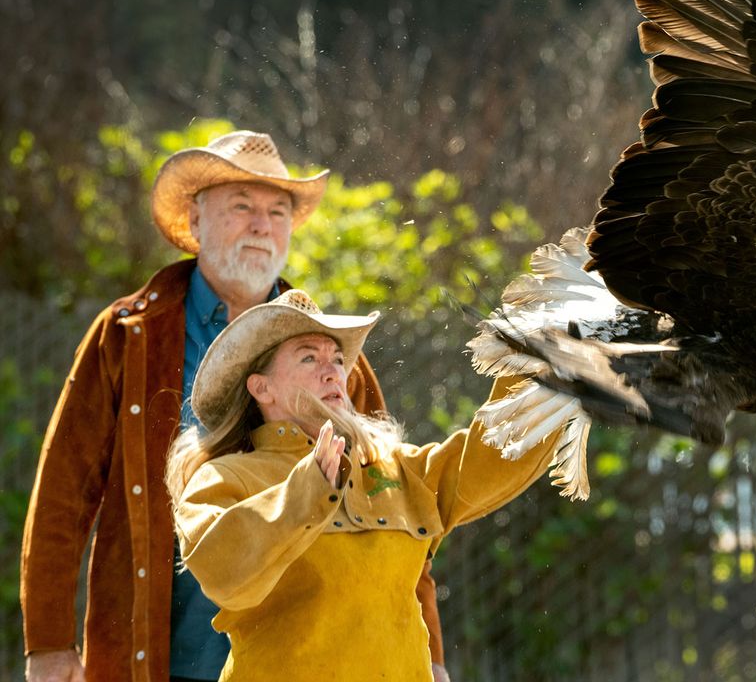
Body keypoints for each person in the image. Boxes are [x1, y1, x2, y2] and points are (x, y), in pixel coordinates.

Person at [21, 131, 448, 681]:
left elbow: (396, 503)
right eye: (241, 207)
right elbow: (62, 494)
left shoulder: (336, 358)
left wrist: (431, 653)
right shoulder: (127, 336)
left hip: (303, 663)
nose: (260, 225)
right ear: (195, 223)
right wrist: (49, 645)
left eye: (276, 211)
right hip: (151, 658)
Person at [165, 289, 556, 680]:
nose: (333, 370)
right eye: (308, 357)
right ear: (260, 388)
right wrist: (307, 489)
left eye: (337, 358)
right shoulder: (224, 476)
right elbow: (222, 573)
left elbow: (494, 458)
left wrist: (541, 367)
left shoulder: (394, 467)